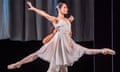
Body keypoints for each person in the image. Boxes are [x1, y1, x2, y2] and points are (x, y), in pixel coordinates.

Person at [8, 1, 116, 72]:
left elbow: (69, 33)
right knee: (37, 54)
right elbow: (44, 14)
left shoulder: (67, 20)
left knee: (85, 50)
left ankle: (103, 50)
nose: (67, 9)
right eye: (64, 7)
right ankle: (19, 63)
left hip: (67, 43)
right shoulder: (56, 19)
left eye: (66, 7)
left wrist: (69, 24)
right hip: (57, 43)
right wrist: (33, 8)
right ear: (59, 9)